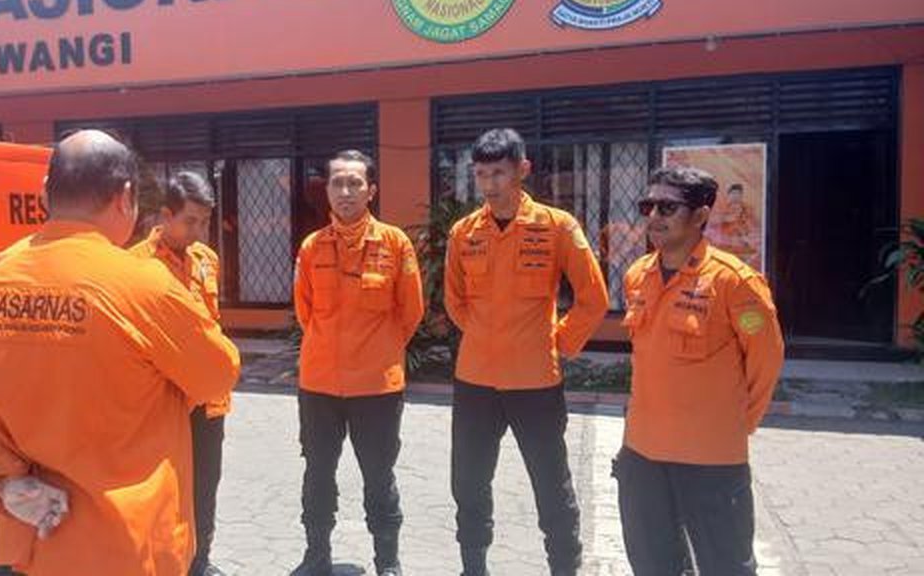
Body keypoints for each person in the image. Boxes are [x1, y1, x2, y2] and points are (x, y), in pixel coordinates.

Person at [0, 130, 241, 576]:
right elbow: (217, 377)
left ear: (46, 194)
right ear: (125, 197)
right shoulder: (144, 285)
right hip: (121, 549)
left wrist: (9, 476)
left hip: (24, 544)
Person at [444, 128, 609, 576]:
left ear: (523, 170)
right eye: (482, 174)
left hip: (535, 381)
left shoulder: (557, 226)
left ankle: (564, 567)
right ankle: (473, 567)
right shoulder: (464, 233)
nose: (490, 184)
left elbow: (593, 298)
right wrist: (485, 336)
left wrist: (558, 342)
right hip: (475, 380)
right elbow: (455, 300)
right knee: (469, 483)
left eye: (499, 173)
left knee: (551, 485)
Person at [614, 166, 783, 576]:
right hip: (642, 455)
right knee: (652, 565)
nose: (654, 216)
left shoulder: (734, 283)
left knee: (725, 566)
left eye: (667, 207)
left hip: (711, 460)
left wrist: (734, 425)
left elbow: (766, 360)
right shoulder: (637, 276)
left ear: (701, 215)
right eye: (648, 206)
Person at [291, 149, 424, 576]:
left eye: (354, 183)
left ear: (372, 190)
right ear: (326, 190)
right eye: (337, 183)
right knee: (317, 473)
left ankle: (388, 562)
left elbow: (411, 312)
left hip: (377, 388)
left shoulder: (395, 243)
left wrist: (378, 351)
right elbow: (305, 311)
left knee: (379, 477)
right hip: (319, 385)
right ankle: (316, 557)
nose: (345, 192)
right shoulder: (311, 247)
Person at [130, 171, 229, 576]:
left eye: (205, 222)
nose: (199, 231)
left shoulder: (207, 260)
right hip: (162, 404)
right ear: (165, 215)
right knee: (163, 491)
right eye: (191, 221)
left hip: (207, 402)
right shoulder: (136, 265)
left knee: (205, 486)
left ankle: (199, 562)